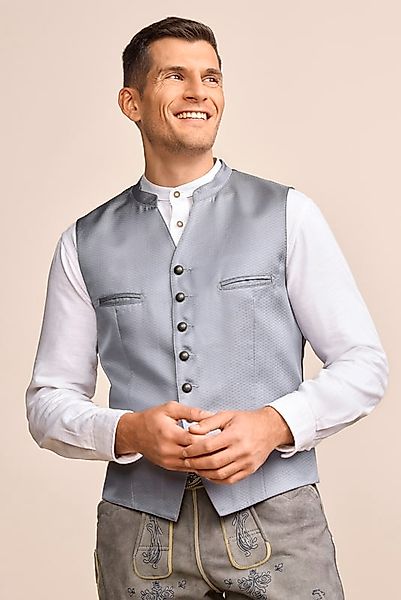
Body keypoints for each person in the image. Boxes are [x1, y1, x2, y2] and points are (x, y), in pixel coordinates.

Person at [25, 15, 388, 600]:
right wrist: (127, 431)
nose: (199, 92)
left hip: (276, 523)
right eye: (175, 76)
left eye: (211, 77)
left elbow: (364, 365)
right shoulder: (83, 241)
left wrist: (273, 424)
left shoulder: (287, 213)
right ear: (131, 102)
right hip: (140, 536)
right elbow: (47, 402)